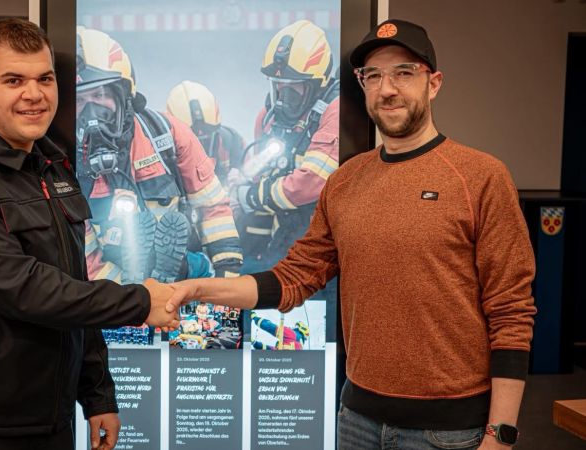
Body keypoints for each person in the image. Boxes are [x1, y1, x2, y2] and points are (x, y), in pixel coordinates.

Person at [166, 19, 537, 450]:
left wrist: (500, 434)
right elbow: (294, 278)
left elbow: (511, 311)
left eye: (403, 73)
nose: (387, 89)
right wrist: (199, 289)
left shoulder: (481, 177)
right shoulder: (345, 181)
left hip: (449, 431)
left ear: (433, 83)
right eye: (373, 75)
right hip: (357, 420)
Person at [0, 19, 178, 450]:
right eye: (14, 80)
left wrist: (97, 395)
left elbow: (74, 285)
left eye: (45, 79)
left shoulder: (54, 169)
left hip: (48, 420)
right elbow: (25, 289)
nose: (34, 94)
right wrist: (141, 302)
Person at [75, 28, 243, 285]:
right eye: (79, 100)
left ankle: (180, 269)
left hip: (180, 270)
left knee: (196, 265)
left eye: (99, 95)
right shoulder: (63, 165)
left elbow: (212, 207)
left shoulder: (167, 134)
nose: (92, 111)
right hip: (118, 282)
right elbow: (88, 260)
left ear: (124, 96)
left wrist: (227, 276)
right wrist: (138, 296)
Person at [230, 19, 339, 271]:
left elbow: (310, 183)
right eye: (278, 85)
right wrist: (242, 182)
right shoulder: (268, 119)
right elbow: (261, 173)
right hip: (287, 234)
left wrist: (250, 196)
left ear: (317, 84)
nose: (282, 96)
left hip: (329, 241)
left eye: (293, 87)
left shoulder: (335, 112)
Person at [165, 80, 246, 186]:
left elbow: (252, 175)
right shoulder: (165, 154)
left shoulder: (233, 141)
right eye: (193, 135)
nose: (200, 133)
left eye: (206, 131)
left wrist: (241, 177)